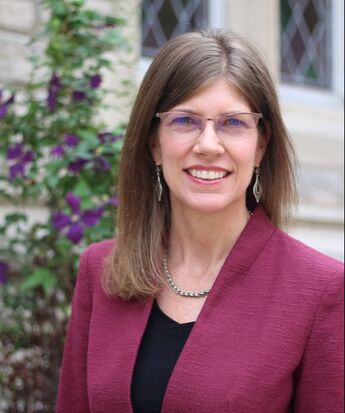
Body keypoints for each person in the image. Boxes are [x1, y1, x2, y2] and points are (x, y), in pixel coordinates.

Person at [56, 30, 344, 413]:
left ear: (260, 145)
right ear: (154, 143)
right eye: (185, 120)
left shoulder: (320, 290)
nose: (208, 145)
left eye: (233, 123)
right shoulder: (101, 270)